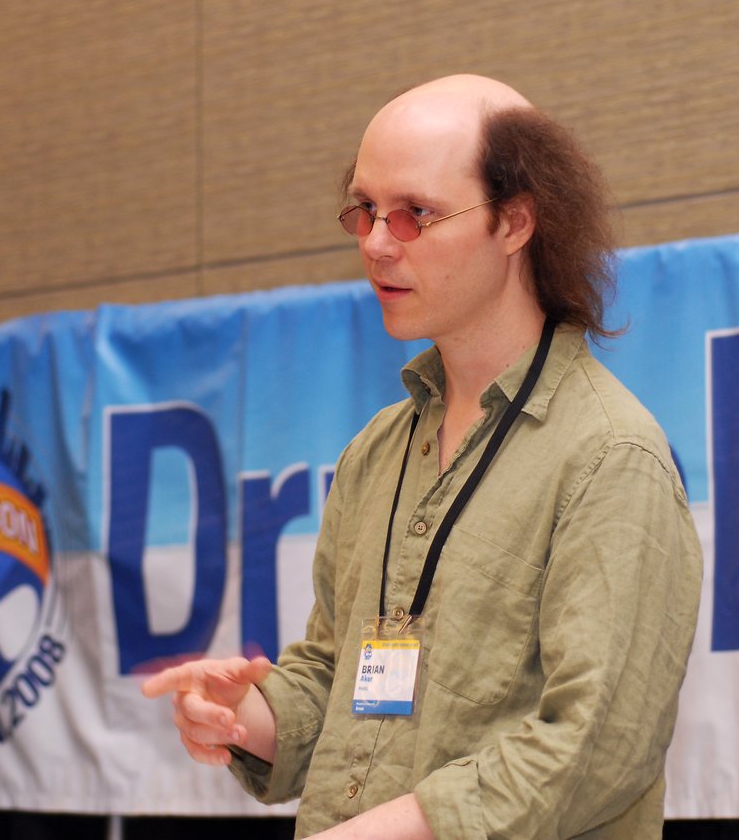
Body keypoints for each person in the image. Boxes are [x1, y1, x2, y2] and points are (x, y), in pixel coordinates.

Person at [142, 74, 703, 839]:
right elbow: (338, 686)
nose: (376, 241)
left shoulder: (610, 455)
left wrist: (398, 825)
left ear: (515, 222)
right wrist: (248, 714)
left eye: (414, 214)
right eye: (365, 209)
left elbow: (599, 746)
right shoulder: (378, 450)